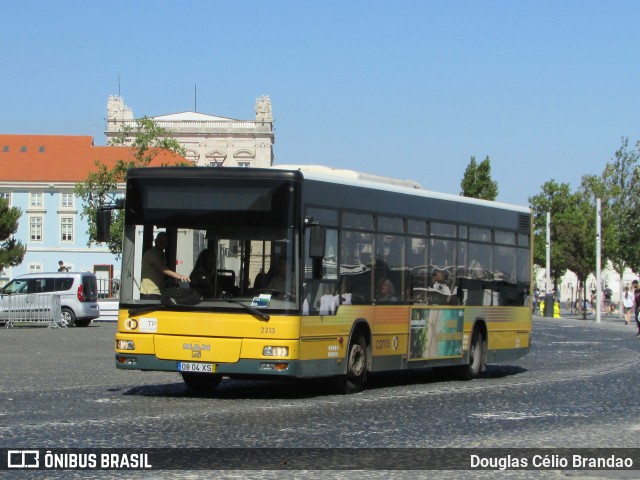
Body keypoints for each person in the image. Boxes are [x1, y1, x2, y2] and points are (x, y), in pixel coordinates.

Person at [140, 232, 190, 300]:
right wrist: (180, 276)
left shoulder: (162, 255)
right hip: (149, 293)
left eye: (165, 241)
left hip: (158, 292)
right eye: (160, 240)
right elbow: (162, 268)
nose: (162, 243)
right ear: (155, 241)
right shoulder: (151, 253)